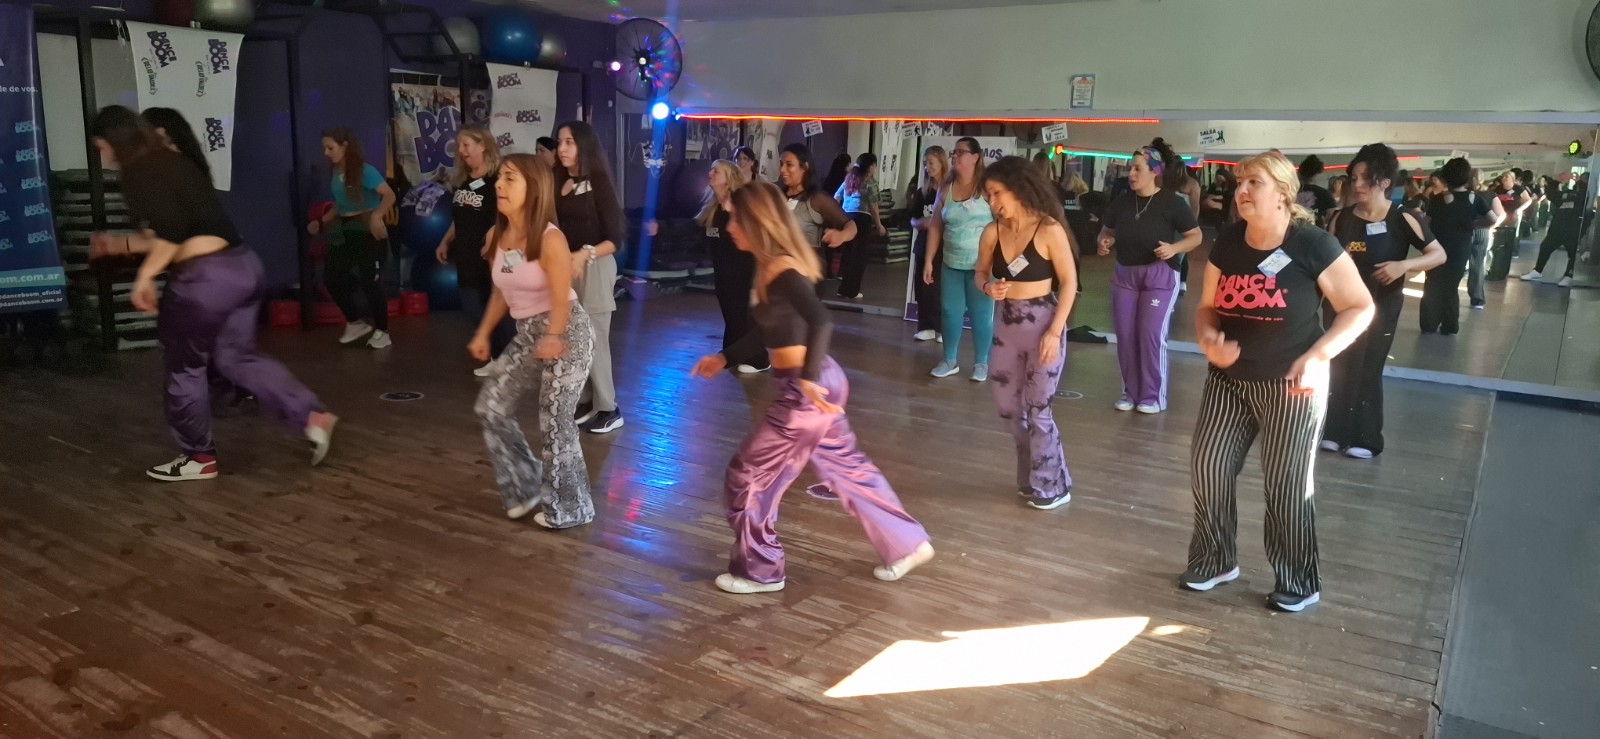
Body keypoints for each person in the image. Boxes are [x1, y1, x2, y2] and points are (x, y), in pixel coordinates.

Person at [691, 182, 934, 594]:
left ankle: (760, 569)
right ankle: (909, 544)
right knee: (848, 469)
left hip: (806, 390)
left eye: (736, 219)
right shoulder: (769, 266)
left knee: (748, 474)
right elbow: (770, 330)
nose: (729, 226)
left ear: (758, 223)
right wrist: (725, 357)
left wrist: (805, 378)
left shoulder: (782, 269)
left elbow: (821, 320)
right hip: (821, 382)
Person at [89, 106, 337, 481]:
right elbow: (177, 230)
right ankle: (312, 415)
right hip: (243, 265)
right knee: (236, 358)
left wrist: (145, 277)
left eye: (101, 146)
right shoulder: (175, 162)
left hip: (205, 279)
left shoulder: (141, 172)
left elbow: (172, 234)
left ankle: (198, 457)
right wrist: (118, 245)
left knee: (184, 366)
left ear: (113, 140)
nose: (103, 155)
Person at [1184, 150, 1374, 613]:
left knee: (1287, 487)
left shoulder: (1313, 245)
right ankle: (1215, 560)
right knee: (1208, 467)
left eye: (1255, 183)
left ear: (1284, 194)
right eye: (1240, 183)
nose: (1242, 191)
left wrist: (1319, 355)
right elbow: (1207, 307)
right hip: (1229, 379)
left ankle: (1298, 580)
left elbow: (1359, 307)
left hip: (1291, 384)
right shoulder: (1229, 243)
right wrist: (1208, 339)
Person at [470, 153, 596, 529]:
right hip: (529, 333)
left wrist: (554, 335)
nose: (499, 185)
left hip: (567, 330)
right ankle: (526, 482)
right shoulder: (496, 236)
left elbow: (561, 297)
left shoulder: (550, 239)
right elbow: (501, 291)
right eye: (499, 178)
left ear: (534, 188)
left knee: (555, 419)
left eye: (510, 179)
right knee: (491, 407)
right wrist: (483, 332)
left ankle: (572, 507)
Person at [1321, 144, 1445, 459]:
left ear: (1384, 182)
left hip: (1381, 304)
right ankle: (1334, 431)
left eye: (1366, 179)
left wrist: (1403, 266)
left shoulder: (1403, 217)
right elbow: (1327, 259)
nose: (1358, 184)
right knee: (1338, 363)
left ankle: (1366, 437)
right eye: (1354, 178)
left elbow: (1438, 254)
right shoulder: (1342, 218)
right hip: (1340, 304)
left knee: (1368, 366)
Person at [973, 157, 1080, 510]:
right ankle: (1031, 475)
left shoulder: (1048, 229)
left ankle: (1052, 485)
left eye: (997, 193)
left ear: (1018, 189)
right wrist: (988, 287)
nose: (993, 202)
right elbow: (980, 273)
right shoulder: (992, 232)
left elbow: (1069, 282)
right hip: (1006, 326)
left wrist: (1055, 332)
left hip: (1043, 325)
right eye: (988, 196)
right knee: (1008, 409)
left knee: (1039, 410)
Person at [1095, 143, 1203, 414]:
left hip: (1159, 275)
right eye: (1130, 169)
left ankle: (1153, 396)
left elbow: (1195, 237)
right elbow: (1106, 231)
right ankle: (1130, 392)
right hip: (1125, 274)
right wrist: (1104, 241)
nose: (1131, 174)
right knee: (1126, 335)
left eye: (1137, 169)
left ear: (1154, 171)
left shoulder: (1172, 203)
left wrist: (1174, 248)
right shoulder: (1121, 202)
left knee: (1149, 334)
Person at [553, 121, 626, 434]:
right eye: (560, 142)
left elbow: (615, 239)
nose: (562, 148)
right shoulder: (558, 179)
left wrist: (585, 253)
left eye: (569, 142)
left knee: (594, 338)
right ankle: (586, 399)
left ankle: (608, 407)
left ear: (583, 145)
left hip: (594, 265)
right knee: (573, 338)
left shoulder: (598, 181)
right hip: (566, 266)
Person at [434, 126, 511, 376]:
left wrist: (493, 237)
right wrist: (445, 241)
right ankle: (498, 357)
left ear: (483, 145)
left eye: (466, 145)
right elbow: (460, 217)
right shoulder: (464, 181)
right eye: (459, 146)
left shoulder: (497, 179)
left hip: (491, 257)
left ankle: (504, 360)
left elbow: (509, 216)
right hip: (466, 255)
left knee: (496, 309)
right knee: (472, 306)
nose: (461, 151)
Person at [309, 128, 396, 349]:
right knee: (332, 278)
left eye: (330, 148)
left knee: (370, 282)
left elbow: (389, 195)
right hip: (347, 229)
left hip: (368, 230)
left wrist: (377, 216)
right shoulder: (336, 172)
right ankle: (355, 322)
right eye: (324, 148)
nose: (326, 153)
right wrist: (321, 222)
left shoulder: (365, 170)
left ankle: (383, 332)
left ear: (345, 146)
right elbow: (341, 204)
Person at [924, 137, 996, 381]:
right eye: (953, 152)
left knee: (981, 313)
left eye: (961, 152)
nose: (955, 156)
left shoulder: (987, 188)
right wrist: (928, 259)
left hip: (982, 266)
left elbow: (1002, 224)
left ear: (975, 157)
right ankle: (949, 360)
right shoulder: (946, 189)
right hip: (951, 263)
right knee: (949, 312)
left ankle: (981, 362)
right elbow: (935, 226)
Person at [699, 159, 767, 373]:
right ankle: (734, 353)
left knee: (745, 316)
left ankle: (759, 359)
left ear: (728, 179)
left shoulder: (741, 208)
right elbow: (695, 230)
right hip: (724, 275)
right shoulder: (712, 210)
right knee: (731, 316)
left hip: (745, 272)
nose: (710, 174)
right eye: (711, 170)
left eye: (716, 171)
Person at [1420, 159, 1494, 336]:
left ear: (1446, 177)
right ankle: (1450, 325)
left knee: (1433, 283)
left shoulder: (1437, 199)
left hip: (1437, 248)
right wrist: (1473, 225)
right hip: (1461, 247)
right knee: (1451, 286)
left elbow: (1426, 223)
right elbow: (1493, 218)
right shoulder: (1475, 199)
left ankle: (1429, 323)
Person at [776, 143, 857, 292]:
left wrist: (841, 236)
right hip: (778, 270)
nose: (782, 170)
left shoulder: (817, 199)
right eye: (781, 164)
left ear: (805, 166)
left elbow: (851, 226)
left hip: (806, 273)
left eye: (789, 165)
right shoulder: (778, 196)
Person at [906, 146, 948, 341]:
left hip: (944, 246)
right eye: (925, 163)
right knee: (922, 286)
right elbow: (912, 220)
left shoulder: (949, 190)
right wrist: (922, 223)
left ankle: (942, 328)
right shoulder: (923, 192)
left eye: (931, 163)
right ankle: (925, 325)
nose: (927, 167)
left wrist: (936, 222)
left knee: (939, 287)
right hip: (923, 245)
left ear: (941, 162)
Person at [833, 153, 887, 299]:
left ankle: (842, 289)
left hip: (846, 218)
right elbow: (873, 206)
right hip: (862, 218)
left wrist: (838, 216)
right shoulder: (870, 181)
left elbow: (836, 197)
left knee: (848, 253)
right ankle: (852, 291)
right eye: (874, 166)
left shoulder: (849, 179)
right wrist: (879, 225)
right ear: (870, 167)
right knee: (859, 256)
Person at [1521, 172, 1584, 287]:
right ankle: (1537, 271)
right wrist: (1557, 180)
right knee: (1545, 248)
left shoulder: (1583, 196)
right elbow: (1550, 193)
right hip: (1557, 228)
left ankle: (1569, 275)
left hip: (1572, 229)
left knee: (1572, 253)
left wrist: (1579, 180)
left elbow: (1585, 193)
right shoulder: (1565, 194)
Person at [1466, 168, 1506, 309]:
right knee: (1478, 264)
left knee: (1457, 263)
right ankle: (1477, 299)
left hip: (1465, 231)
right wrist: (1493, 226)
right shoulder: (1490, 194)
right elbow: (1501, 214)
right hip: (1483, 231)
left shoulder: (1464, 193)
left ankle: (1448, 295)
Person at [1486, 171, 1532, 281]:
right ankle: (1498, 254)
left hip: (1513, 215)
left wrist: (1520, 209)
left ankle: (1513, 251)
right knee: (1499, 235)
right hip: (1501, 215)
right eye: (1503, 177)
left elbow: (1528, 200)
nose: (1504, 179)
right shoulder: (1498, 189)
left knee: (1512, 234)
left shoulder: (1518, 189)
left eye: (1506, 177)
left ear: (1512, 179)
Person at [1296, 155, 1338, 227]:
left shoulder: (1292, 192)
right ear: (1317, 174)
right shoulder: (1323, 193)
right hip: (1316, 230)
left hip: (1293, 230)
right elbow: (1333, 214)